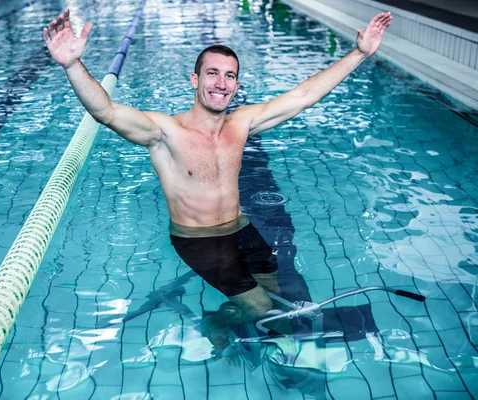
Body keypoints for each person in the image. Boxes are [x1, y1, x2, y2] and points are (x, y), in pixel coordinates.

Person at [43, 10, 392, 339]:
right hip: (197, 240)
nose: (221, 83)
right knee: (258, 305)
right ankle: (215, 323)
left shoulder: (240, 124)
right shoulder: (166, 132)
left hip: (241, 228)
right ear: (195, 79)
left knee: (274, 292)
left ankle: (237, 316)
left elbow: (302, 97)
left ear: (237, 84)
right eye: (212, 73)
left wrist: (359, 54)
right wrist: (72, 64)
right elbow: (106, 111)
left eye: (229, 75)